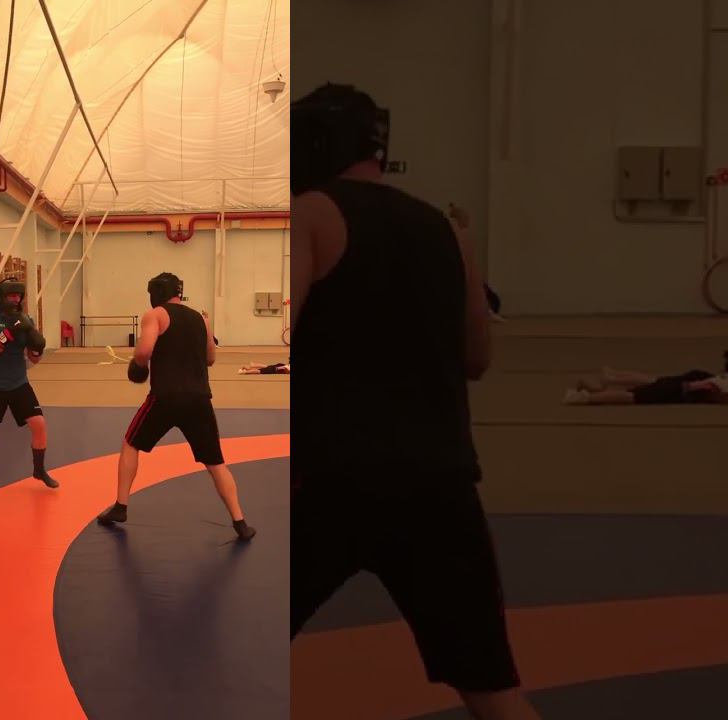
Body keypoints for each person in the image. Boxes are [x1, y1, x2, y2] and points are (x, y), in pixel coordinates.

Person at [291, 83, 540, 720]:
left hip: (331, 481)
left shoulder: (312, 215)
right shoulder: (448, 230)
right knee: (492, 689)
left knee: (238, 640)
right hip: (439, 482)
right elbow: (476, 359)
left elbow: (281, 344)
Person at [96, 272, 257, 541]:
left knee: (131, 444)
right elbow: (210, 358)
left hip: (165, 397)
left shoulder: (156, 315)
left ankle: (121, 506)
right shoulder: (201, 319)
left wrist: (138, 365)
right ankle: (240, 522)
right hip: (199, 399)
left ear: (156, 293)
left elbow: (144, 351)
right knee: (216, 463)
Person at [0, 277, 60, 498]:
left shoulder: (26, 319)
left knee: (39, 424)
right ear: (1, 297)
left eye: (18, 296)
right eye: (11, 295)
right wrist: (7, 335)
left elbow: (33, 360)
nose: (16, 299)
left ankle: (39, 470)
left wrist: (37, 348)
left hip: (18, 383)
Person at [564, 366, 728, 405]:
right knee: (632, 396)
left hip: (690, 383)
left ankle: (610, 379)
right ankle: (584, 397)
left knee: (653, 381)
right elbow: (717, 394)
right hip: (684, 387)